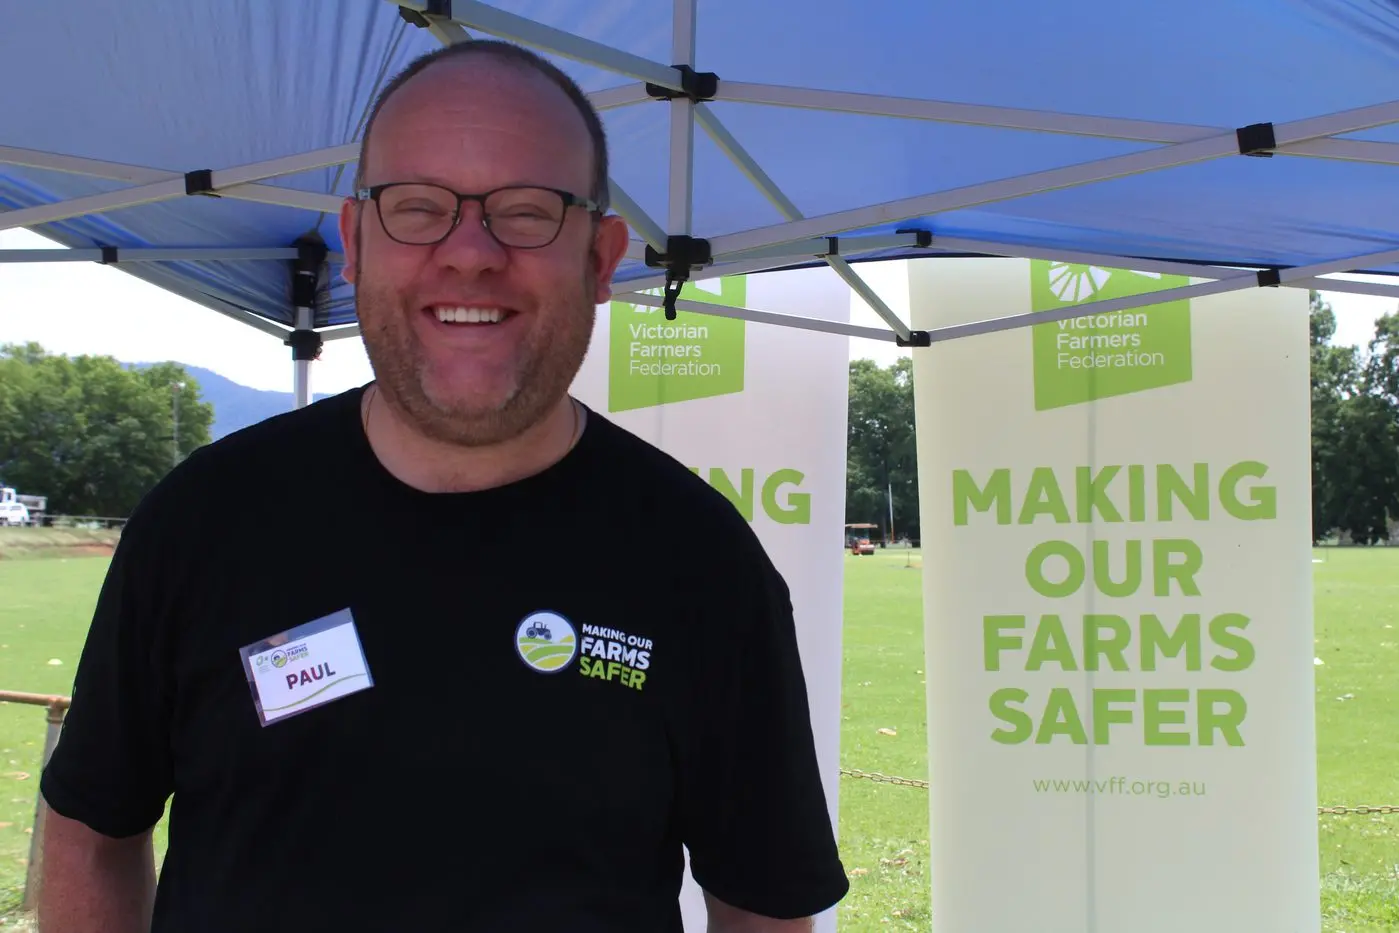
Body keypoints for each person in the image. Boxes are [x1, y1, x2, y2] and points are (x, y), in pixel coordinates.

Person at [36, 38, 849, 933]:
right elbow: (89, 830)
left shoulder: (701, 562)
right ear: (353, 243)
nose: (470, 253)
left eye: (529, 211)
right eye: (417, 208)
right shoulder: (202, 519)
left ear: (600, 256)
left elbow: (764, 909)